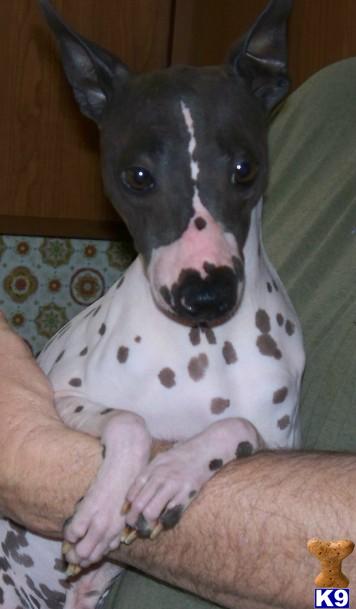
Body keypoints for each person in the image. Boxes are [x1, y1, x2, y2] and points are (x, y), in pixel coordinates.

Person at [0, 58, 355, 609]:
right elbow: (58, 402)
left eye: (239, 174)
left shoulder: (277, 346)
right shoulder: (332, 95)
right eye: (141, 180)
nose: (200, 253)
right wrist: (124, 438)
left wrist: (219, 441)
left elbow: (331, 582)